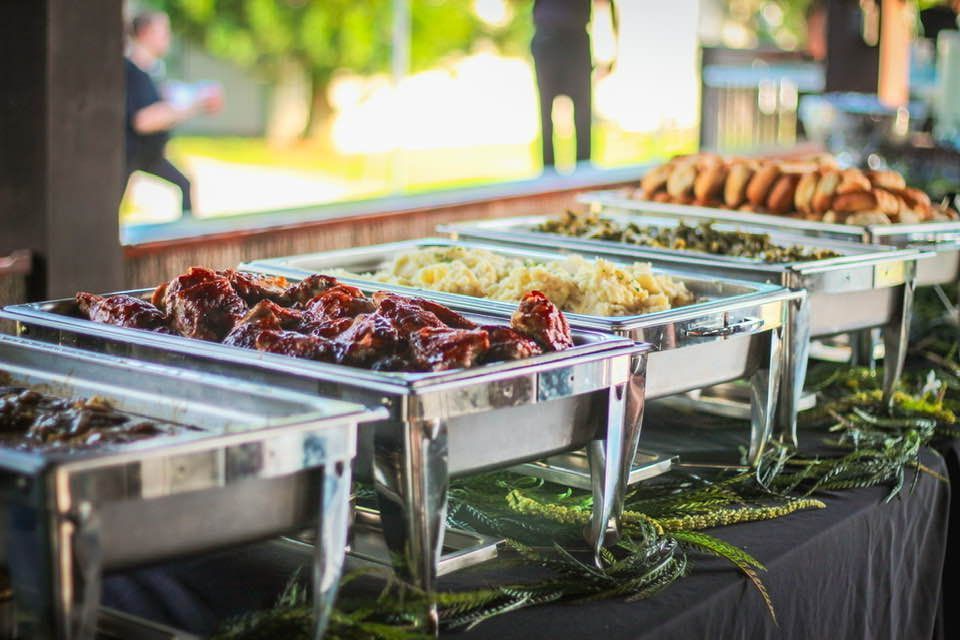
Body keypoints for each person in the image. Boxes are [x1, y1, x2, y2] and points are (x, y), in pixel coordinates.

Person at [124, 11, 221, 218]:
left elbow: (166, 95)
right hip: (127, 156)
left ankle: (186, 240)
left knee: (184, 184)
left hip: (147, 155)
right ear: (145, 33)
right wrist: (196, 104)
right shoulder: (131, 71)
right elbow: (143, 120)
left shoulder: (151, 71)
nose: (168, 37)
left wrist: (198, 96)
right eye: (163, 32)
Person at [531, 0, 617, 171]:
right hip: (548, 36)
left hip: (575, 37)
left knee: (582, 114)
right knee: (546, 114)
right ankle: (548, 174)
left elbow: (605, 4)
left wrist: (613, 49)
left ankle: (583, 170)